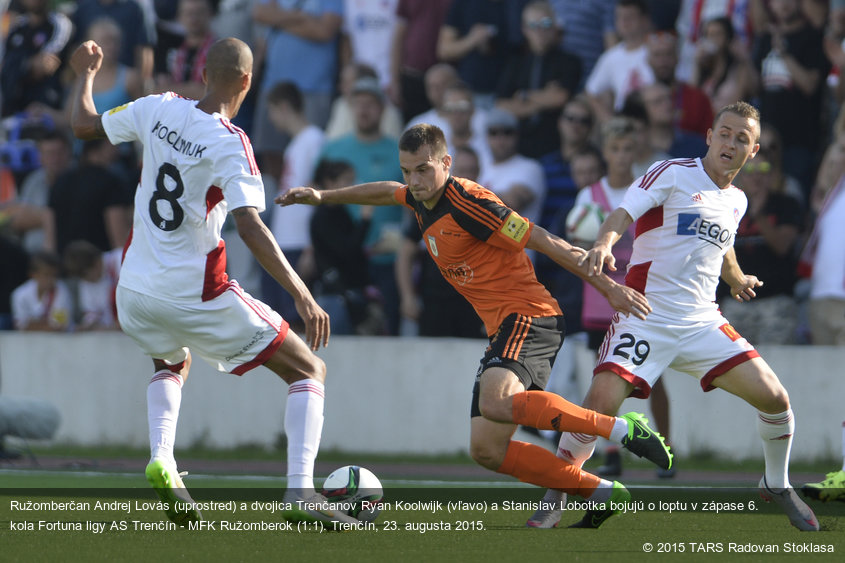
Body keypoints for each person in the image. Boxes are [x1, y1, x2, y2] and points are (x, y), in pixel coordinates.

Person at [279, 123, 672, 518]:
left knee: (497, 401)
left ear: (446, 163)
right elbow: (385, 191)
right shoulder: (421, 197)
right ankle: (601, 492)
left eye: (422, 169)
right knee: (486, 449)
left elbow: (544, 240)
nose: (413, 181)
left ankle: (622, 430)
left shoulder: (469, 202)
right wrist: (323, 196)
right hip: (502, 326)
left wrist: (609, 288)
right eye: (407, 171)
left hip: (530, 314)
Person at [69, 37, 358, 528]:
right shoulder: (231, 141)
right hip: (197, 290)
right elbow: (249, 225)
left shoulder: (157, 106)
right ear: (247, 81)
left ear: (203, 71)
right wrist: (302, 294)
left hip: (135, 289)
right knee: (309, 369)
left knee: (170, 360)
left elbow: (82, 125)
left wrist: (86, 74)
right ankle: (300, 492)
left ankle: (163, 458)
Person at [529, 101, 820, 531]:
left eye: (742, 138)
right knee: (600, 405)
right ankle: (557, 492)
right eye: (725, 132)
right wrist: (606, 242)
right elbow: (623, 212)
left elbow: (724, 245)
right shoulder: (672, 172)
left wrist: (737, 278)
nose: (731, 142)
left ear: (753, 151)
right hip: (645, 314)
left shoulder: (737, 200)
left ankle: (776, 483)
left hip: (702, 322)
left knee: (776, 400)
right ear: (709, 135)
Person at [566, 117, 673, 480]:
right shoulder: (589, 195)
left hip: (642, 296)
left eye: (628, 148)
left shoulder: (645, 192)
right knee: (605, 380)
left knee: (653, 377)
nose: (622, 155)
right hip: (600, 299)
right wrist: (585, 244)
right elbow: (577, 248)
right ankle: (610, 452)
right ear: (605, 151)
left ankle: (667, 446)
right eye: (615, 148)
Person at [11, 249, 72, 332]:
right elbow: (21, 326)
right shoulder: (20, 294)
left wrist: (33, 324)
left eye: (54, 275)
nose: (51, 279)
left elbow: (60, 326)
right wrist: (45, 324)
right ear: (33, 274)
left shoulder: (62, 291)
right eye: (46, 274)